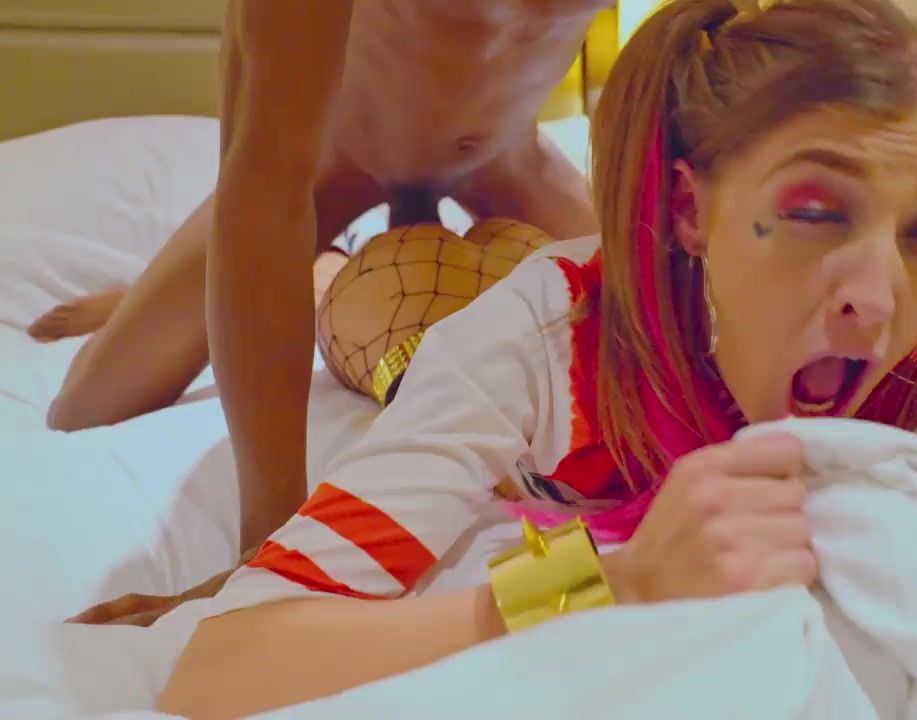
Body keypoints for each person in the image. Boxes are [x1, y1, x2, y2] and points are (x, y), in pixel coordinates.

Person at [157, 0, 917, 717]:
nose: (875, 295)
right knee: (379, 315)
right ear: (689, 210)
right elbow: (223, 665)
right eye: (816, 211)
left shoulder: (909, 378)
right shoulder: (543, 348)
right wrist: (604, 583)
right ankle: (328, 274)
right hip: (433, 332)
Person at [33, 0, 606, 610]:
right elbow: (264, 182)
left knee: (647, 342)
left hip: (506, 156)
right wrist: (267, 545)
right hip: (330, 167)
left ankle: (341, 272)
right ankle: (324, 272)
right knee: (86, 404)